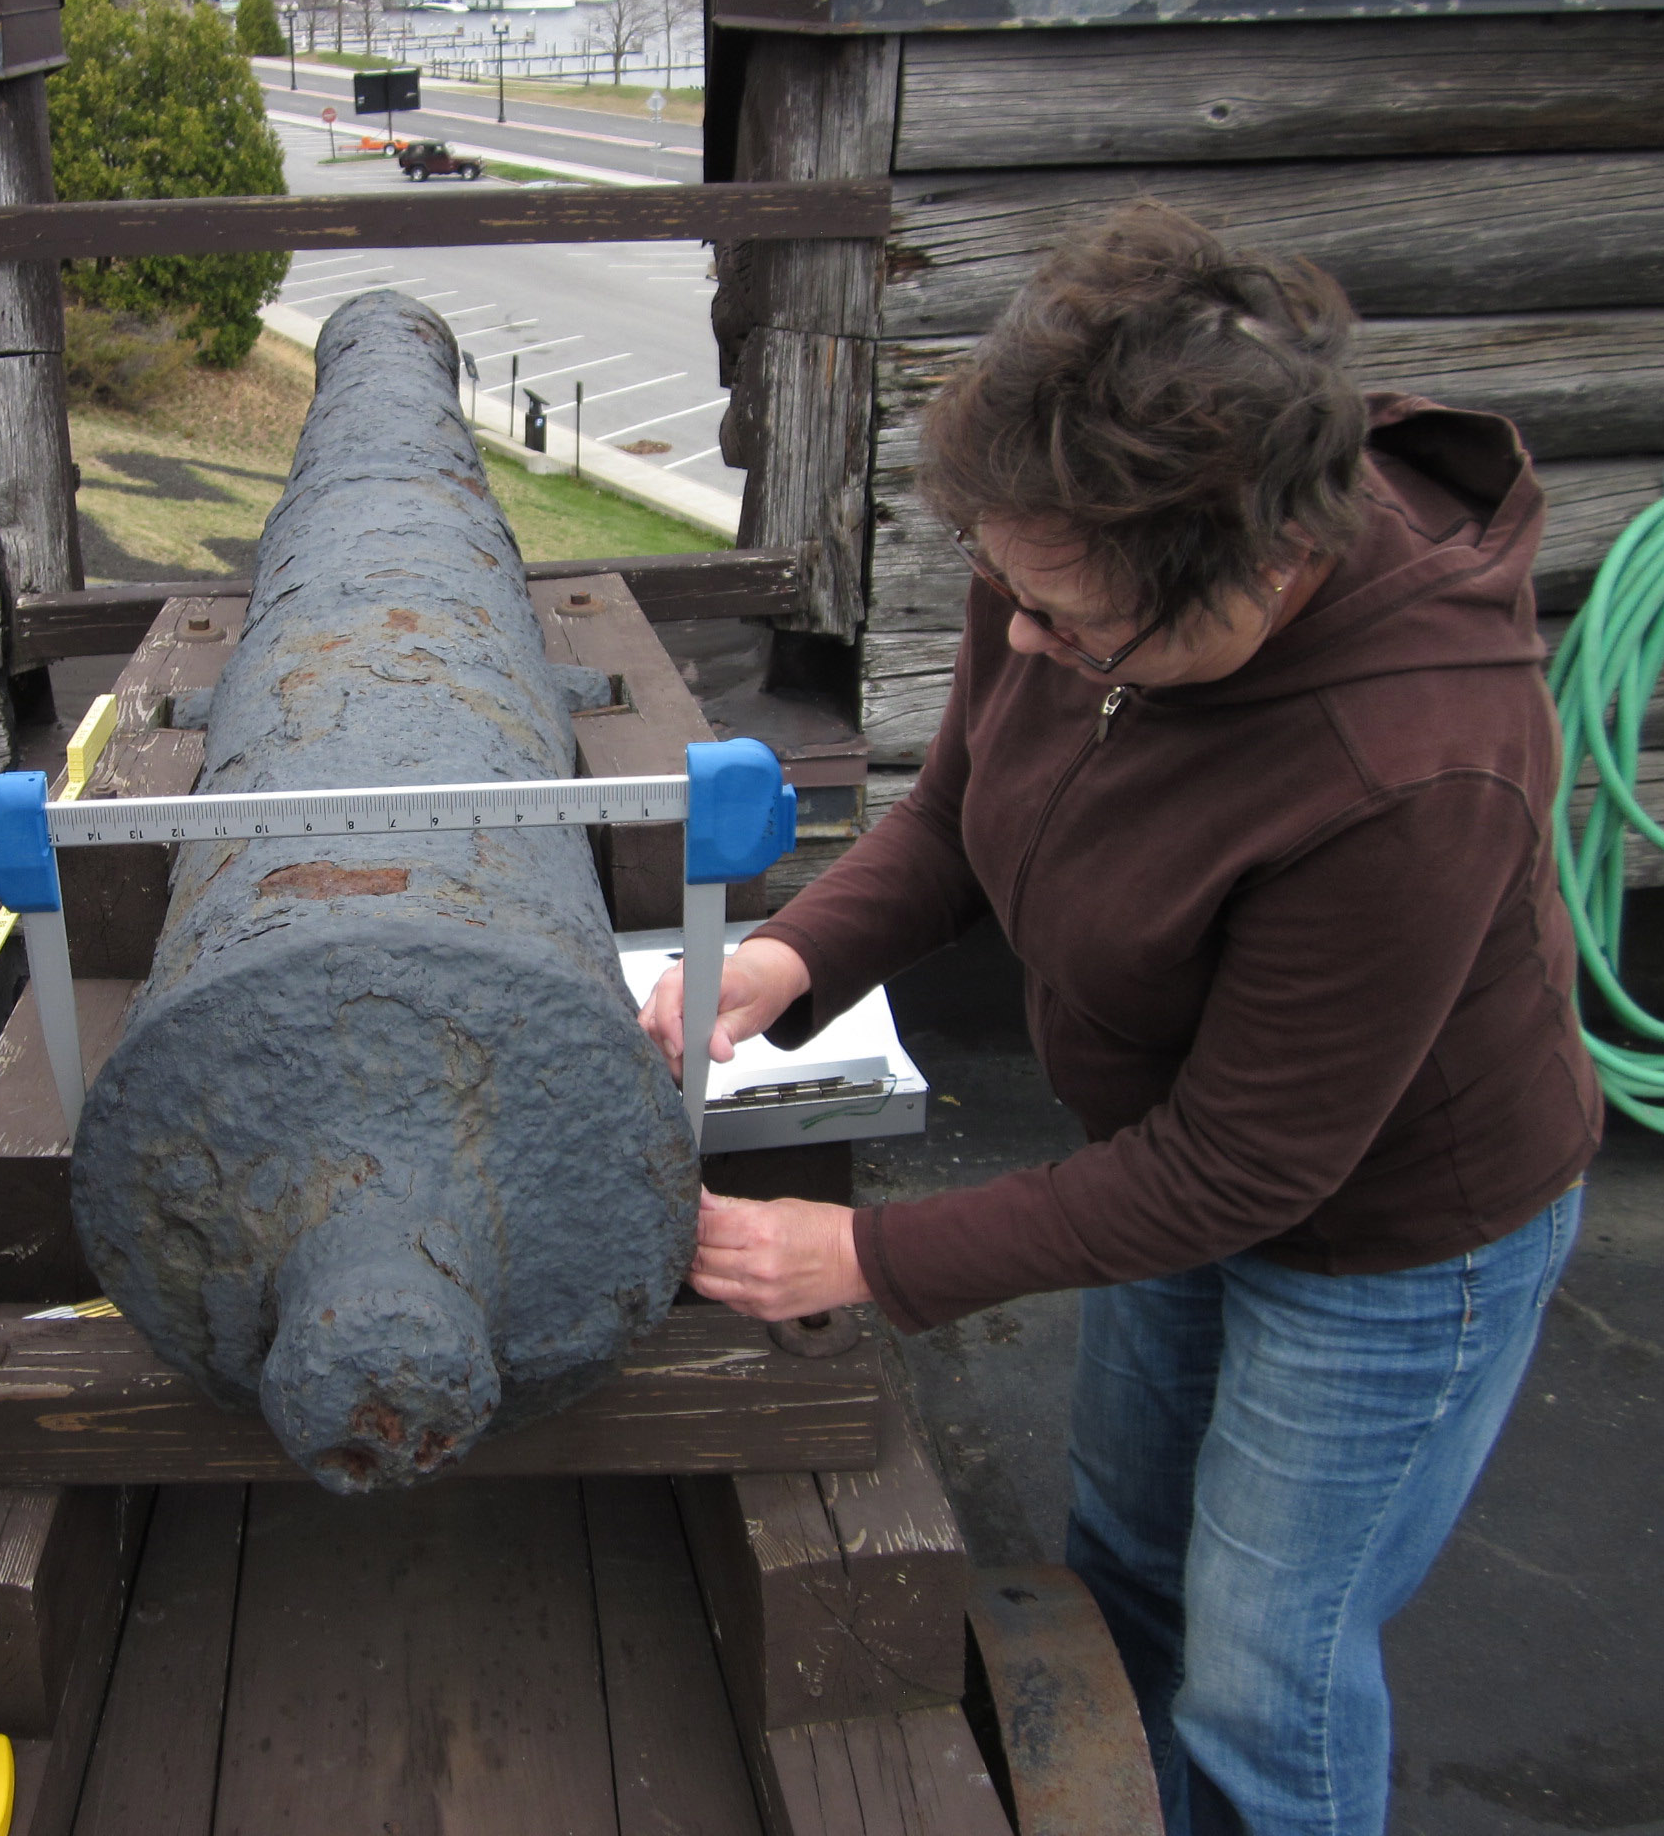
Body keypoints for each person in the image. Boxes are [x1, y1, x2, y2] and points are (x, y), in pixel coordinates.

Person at [642, 202, 1598, 1836]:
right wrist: (785, 963)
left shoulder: (1416, 761)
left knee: (1267, 1654)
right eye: (1008, 589)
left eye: (1068, 625)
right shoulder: (1075, 548)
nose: (1020, 637)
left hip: (1391, 1240)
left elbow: (1244, 1169)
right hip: (1158, 1148)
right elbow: (954, 817)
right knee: (1130, 1548)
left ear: (1269, 569)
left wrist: (871, 1260)